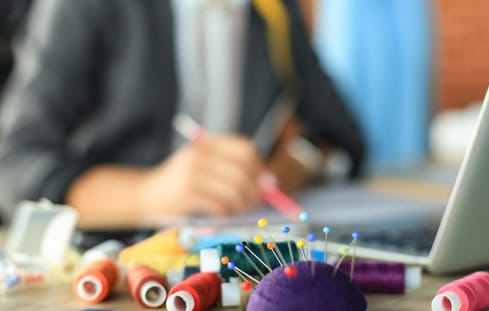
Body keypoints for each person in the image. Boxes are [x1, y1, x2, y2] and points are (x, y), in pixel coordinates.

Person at [0, 0, 365, 228]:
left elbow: (344, 138)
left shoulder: (273, 11)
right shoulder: (85, 7)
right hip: (116, 269)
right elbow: (13, 164)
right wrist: (147, 194)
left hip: (236, 258)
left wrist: (292, 167)